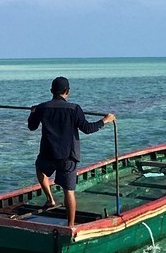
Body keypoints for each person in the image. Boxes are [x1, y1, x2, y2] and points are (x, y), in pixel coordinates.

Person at [27, 76, 115, 226]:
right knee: (69, 191)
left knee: (39, 168)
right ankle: (70, 226)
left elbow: (31, 126)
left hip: (48, 154)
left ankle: (50, 199)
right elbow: (87, 129)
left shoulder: (42, 107)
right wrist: (105, 120)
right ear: (67, 92)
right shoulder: (74, 108)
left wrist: (33, 112)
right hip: (68, 156)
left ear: (51, 91)